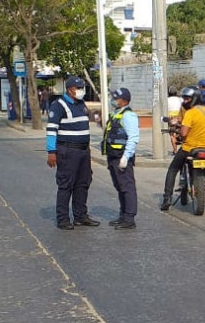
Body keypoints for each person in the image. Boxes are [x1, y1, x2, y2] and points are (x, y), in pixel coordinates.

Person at [46, 76, 100, 230]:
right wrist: (51, 152)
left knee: (83, 183)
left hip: (83, 150)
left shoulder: (81, 104)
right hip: (68, 150)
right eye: (78, 88)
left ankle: (80, 216)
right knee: (66, 184)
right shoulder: (58, 106)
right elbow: (51, 130)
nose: (81, 91)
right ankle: (63, 219)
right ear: (70, 90)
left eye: (82, 88)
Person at [159, 86, 205, 211]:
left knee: (172, 169)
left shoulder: (190, 113)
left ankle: (167, 199)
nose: (185, 101)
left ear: (194, 99)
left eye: (188, 99)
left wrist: (179, 131)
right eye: (184, 98)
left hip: (189, 148)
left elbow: (183, 133)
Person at [103, 87, 139, 230]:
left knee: (127, 188)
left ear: (124, 101)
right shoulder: (116, 114)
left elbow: (133, 137)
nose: (113, 100)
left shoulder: (128, 115)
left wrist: (126, 157)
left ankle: (129, 218)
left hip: (121, 156)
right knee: (120, 187)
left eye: (116, 98)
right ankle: (123, 215)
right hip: (113, 156)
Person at [166, 87, 183, 152]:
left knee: (172, 135)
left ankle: (175, 150)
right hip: (179, 118)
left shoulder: (167, 100)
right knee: (181, 133)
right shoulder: (180, 99)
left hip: (171, 118)